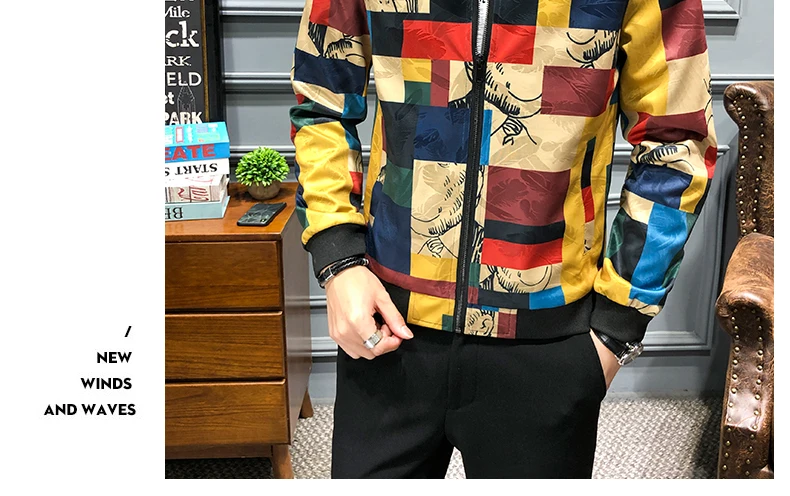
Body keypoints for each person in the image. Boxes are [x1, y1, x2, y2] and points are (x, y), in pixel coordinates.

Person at [289, 0, 717, 479]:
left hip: (548, 341)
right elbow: (321, 102)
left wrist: (618, 325)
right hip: (387, 321)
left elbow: (677, 142)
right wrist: (339, 260)